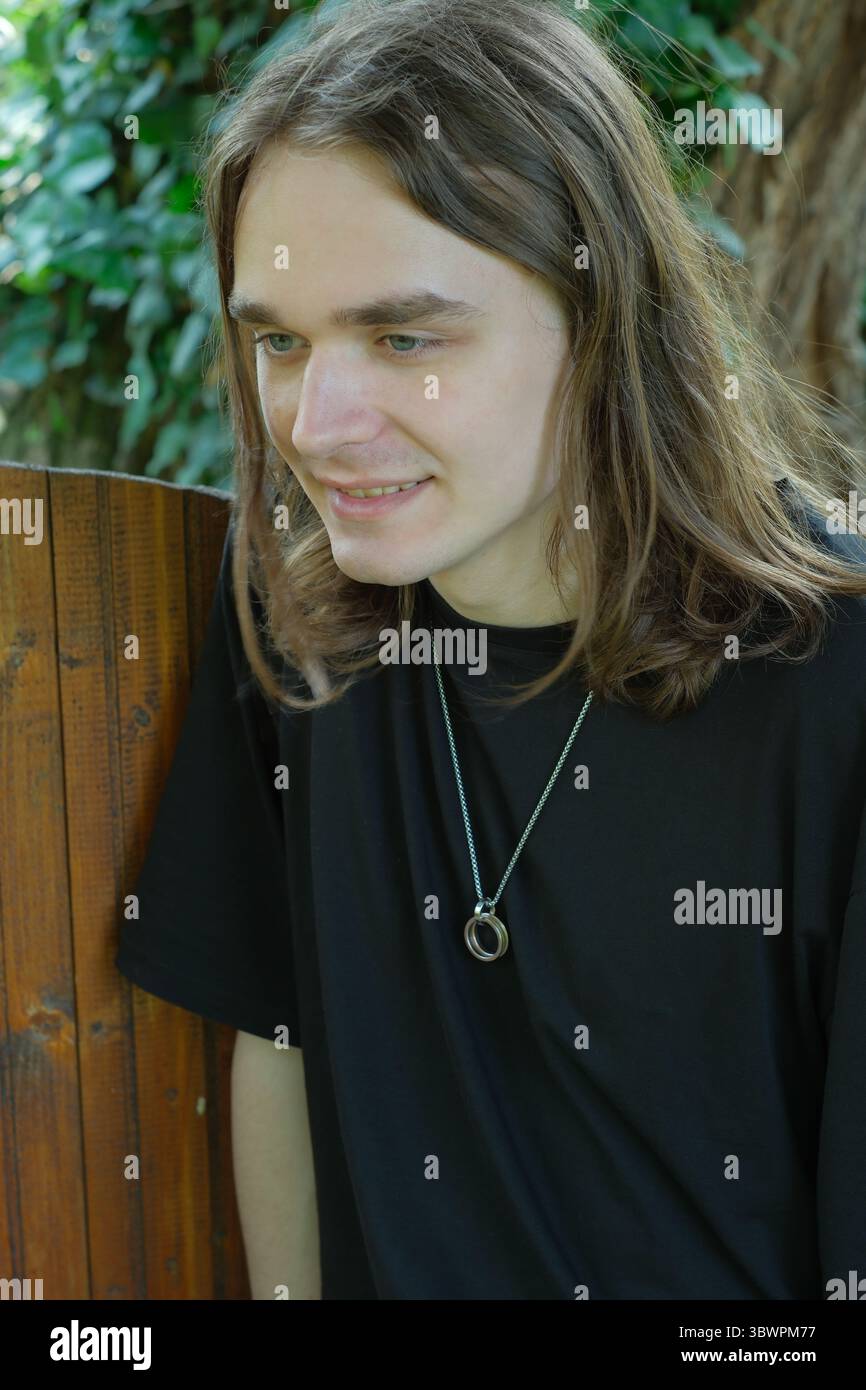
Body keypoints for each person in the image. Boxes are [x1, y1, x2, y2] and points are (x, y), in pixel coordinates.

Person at [115, 0, 866, 1300]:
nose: (316, 419)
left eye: (405, 337)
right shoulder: (292, 618)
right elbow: (277, 1037)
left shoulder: (832, 674)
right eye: (279, 340)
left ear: (598, 314)